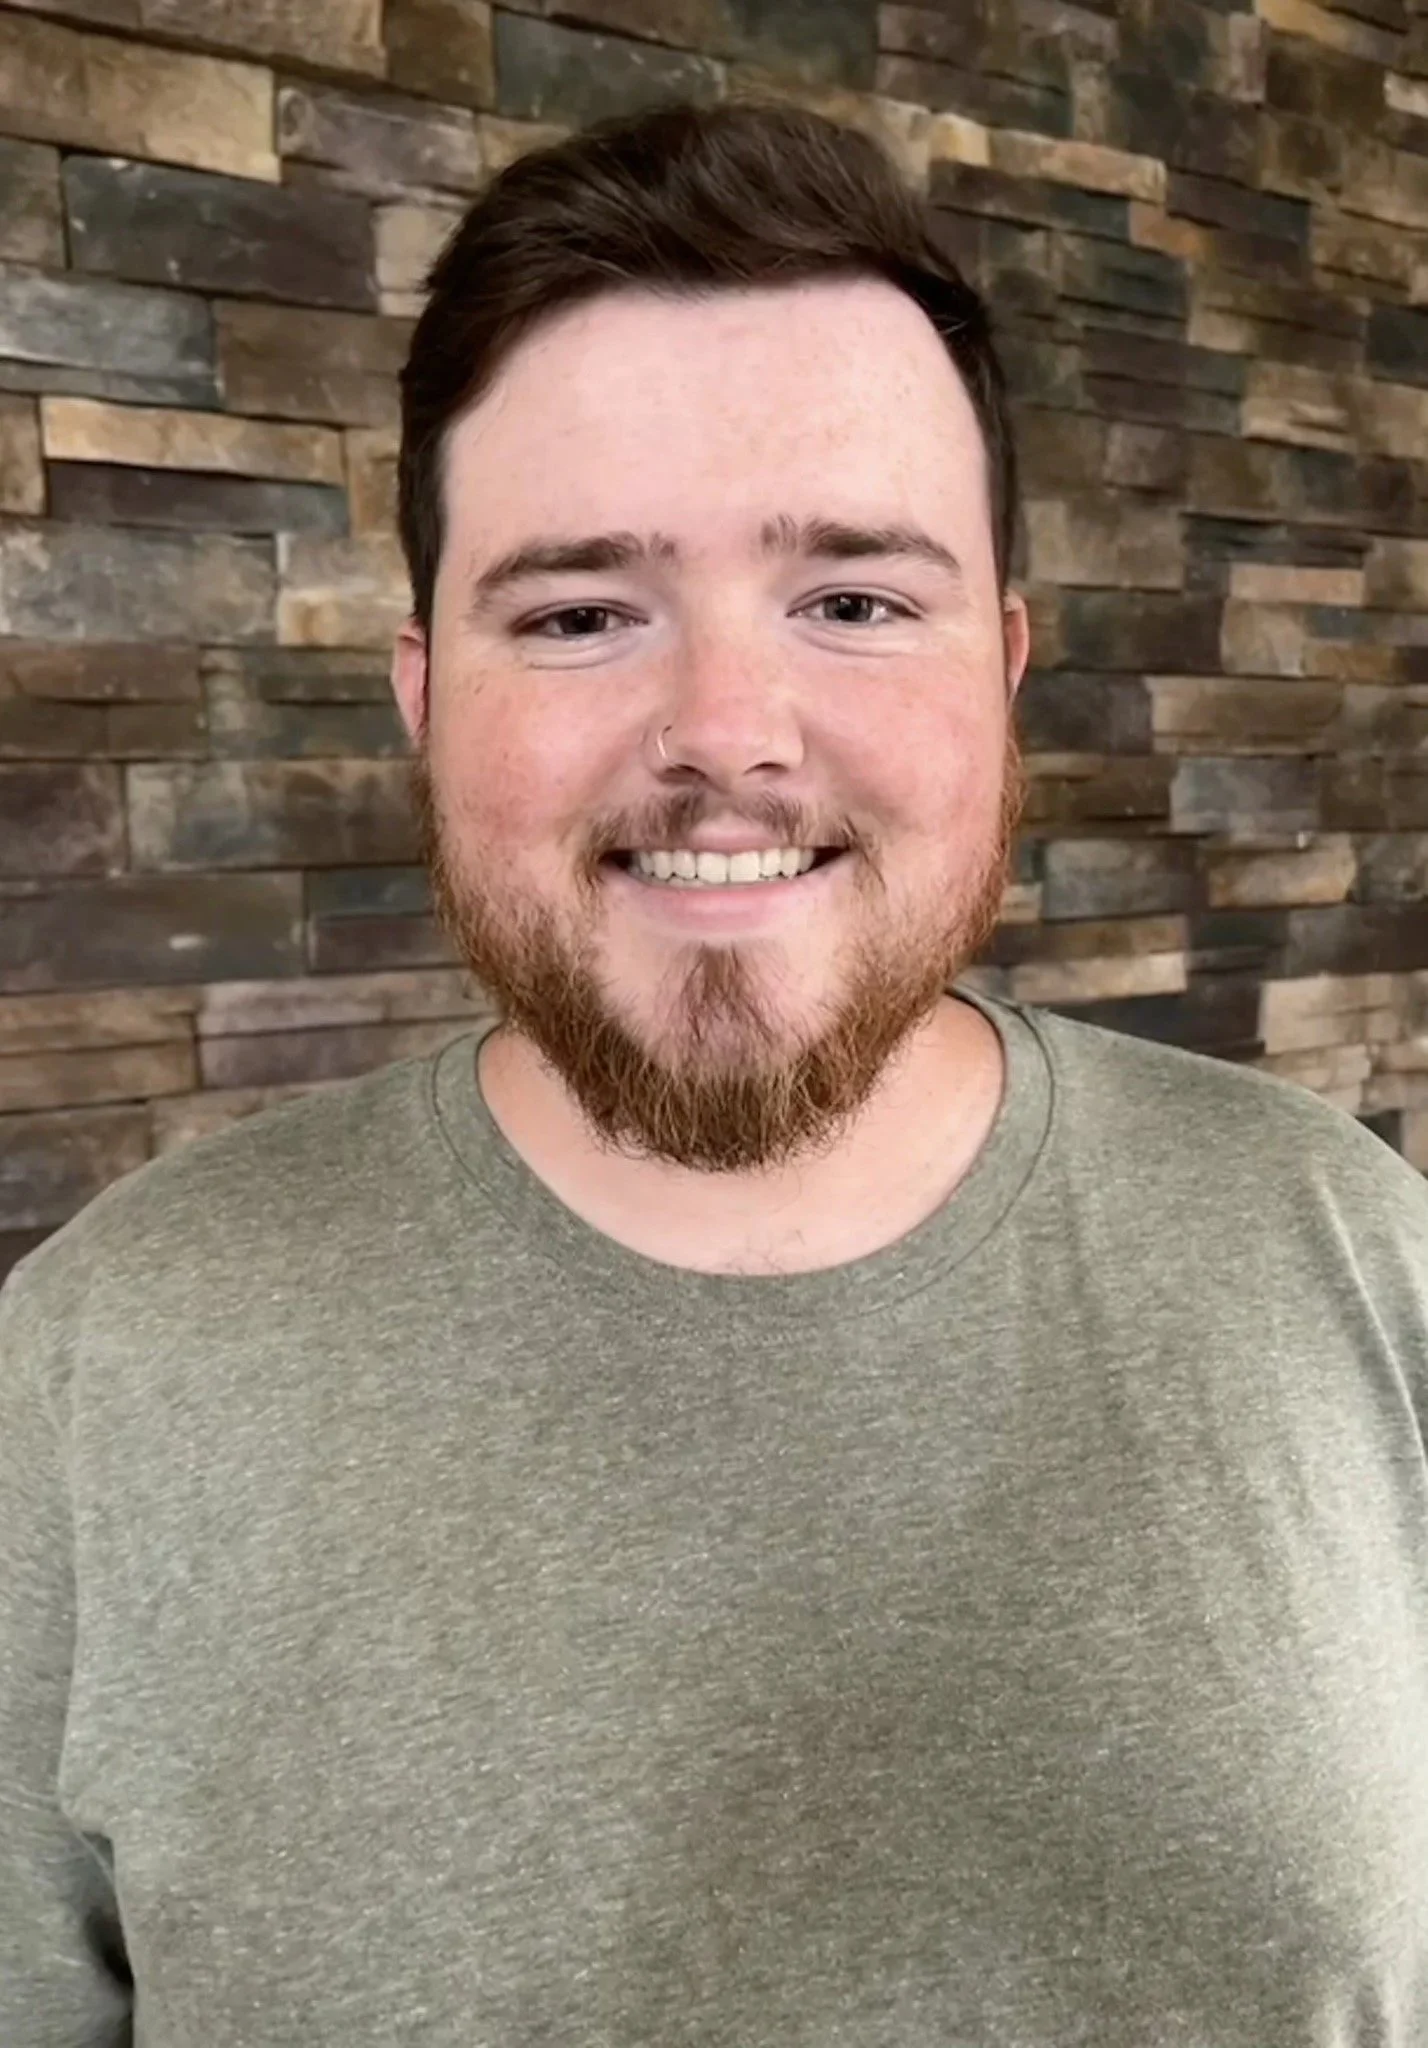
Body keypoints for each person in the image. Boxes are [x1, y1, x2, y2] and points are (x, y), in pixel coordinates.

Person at [1, 97, 1426, 2048]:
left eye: (853, 598)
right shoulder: (97, 1373)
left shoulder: (1352, 1256)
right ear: (425, 695)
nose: (727, 733)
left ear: (1002, 663)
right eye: (584, 612)